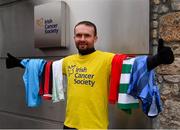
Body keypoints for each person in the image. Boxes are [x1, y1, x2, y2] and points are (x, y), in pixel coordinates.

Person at [6, 21, 174, 129]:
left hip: (95, 127)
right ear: (74, 37)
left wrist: (156, 60)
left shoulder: (107, 59)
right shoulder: (68, 61)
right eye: (79, 35)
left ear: (95, 38)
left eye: (87, 35)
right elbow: (44, 68)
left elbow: (133, 65)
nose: (82, 39)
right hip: (69, 125)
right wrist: (19, 63)